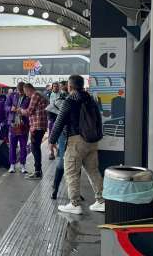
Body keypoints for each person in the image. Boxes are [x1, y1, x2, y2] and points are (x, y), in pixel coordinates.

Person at [49, 75, 105, 215]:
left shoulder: (70, 100)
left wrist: (51, 140)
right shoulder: (90, 99)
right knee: (93, 171)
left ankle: (74, 204)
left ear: (70, 86)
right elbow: (98, 119)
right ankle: (101, 201)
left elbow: (59, 121)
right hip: (92, 141)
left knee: (71, 172)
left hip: (76, 141)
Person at [19, 83, 49, 180]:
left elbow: (29, 111)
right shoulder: (40, 94)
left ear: (28, 89)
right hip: (40, 125)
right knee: (36, 148)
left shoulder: (35, 95)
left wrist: (21, 110)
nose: (26, 95)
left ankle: (37, 172)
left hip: (37, 126)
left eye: (26, 92)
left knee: (35, 148)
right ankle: (38, 170)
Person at [5, 82, 30, 174]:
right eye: (19, 91)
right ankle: (12, 165)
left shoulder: (28, 97)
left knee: (23, 146)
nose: (20, 93)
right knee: (12, 146)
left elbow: (30, 110)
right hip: (13, 124)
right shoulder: (12, 95)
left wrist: (23, 112)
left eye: (22, 91)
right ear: (16, 89)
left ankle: (23, 165)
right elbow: (6, 107)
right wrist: (10, 108)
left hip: (24, 125)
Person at [46, 82, 61, 160]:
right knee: (51, 135)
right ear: (52, 87)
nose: (55, 88)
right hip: (51, 116)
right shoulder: (48, 94)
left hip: (59, 116)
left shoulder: (62, 94)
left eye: (57, 86)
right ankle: (51, 152)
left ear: (59, 87)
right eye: (54, 86)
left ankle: (58, 149)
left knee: (58, 135)